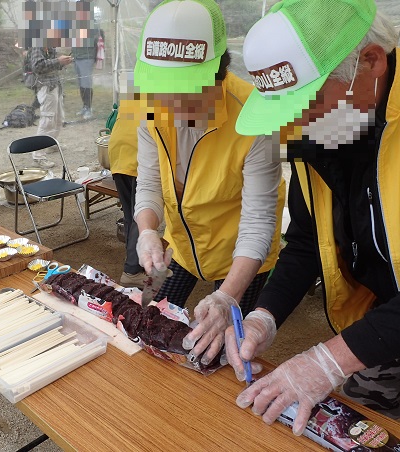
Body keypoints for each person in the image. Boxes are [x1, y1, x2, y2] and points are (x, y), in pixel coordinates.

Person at [225, 0, 400, 434]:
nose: (297, 124)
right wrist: (265, 314)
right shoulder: (324, 130)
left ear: (371, 61)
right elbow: (306, 239)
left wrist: (330, 360)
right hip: (384, 322)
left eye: (309, 103)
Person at [133, 0, 285, 367]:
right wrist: (147, 231)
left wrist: (227, 296)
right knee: (154, 323)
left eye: (186, 91)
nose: (172, 104)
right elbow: (150, 181)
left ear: (219, 72)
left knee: (223, 343)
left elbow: (258, 221)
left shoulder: (255, 116)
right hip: (186, 248)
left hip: (240, 256)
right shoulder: (153, 106)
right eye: (164, 90)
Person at [108, 102, 145, 288]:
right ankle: (132, 271)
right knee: (141, 215)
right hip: (138, 157)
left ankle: (134, 261)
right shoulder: (169, 96)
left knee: (131, 215)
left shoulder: (135, 93)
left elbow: (111, 122)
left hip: (118, 155)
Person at [27, 45, 73, 168]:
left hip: (54, 84)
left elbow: (51, 65)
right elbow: (37, 66)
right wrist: (58, 61)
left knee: (58, 118)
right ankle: (38, 156)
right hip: (46, 87)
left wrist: (62, 62)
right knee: (47, 120)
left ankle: (50, 143)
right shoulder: (37, 46)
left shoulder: (49, 45)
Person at [71, 1, 97, 120]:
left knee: (86, 84)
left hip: (86, 58)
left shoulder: (91, 24)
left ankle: (89, 108)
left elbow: (91, 40)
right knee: (81, 84)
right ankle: (85, 106)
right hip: (77, 57)